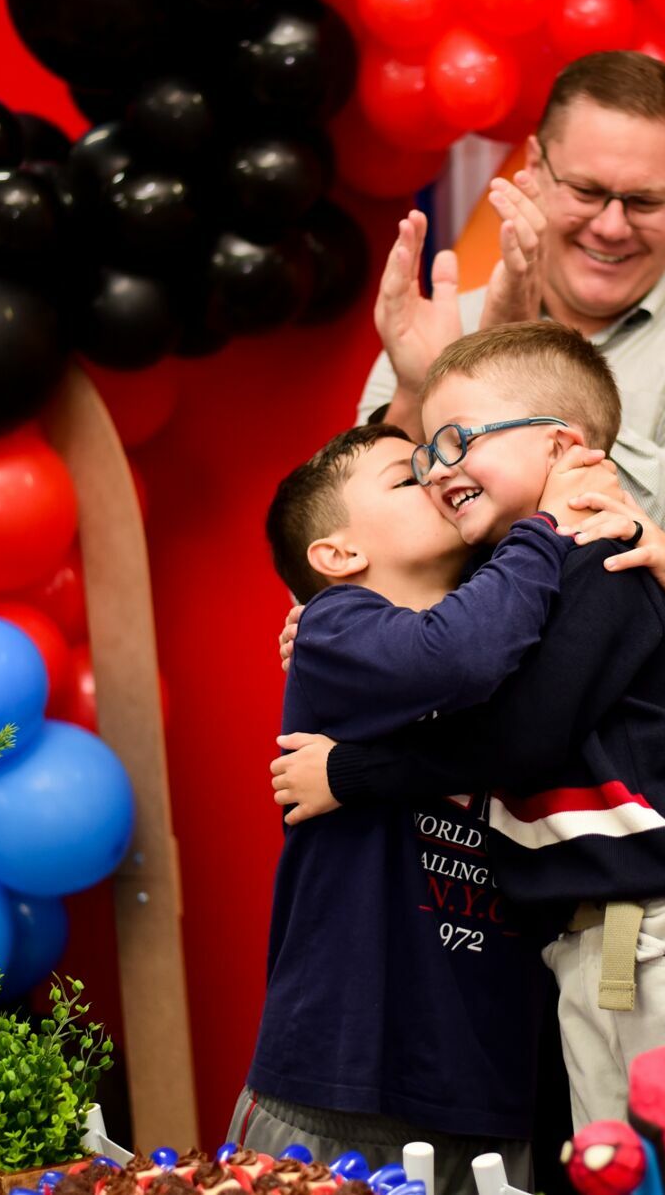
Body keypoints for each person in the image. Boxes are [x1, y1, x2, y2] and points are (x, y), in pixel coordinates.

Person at [275, 320, 665, 1128]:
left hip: (661, 940)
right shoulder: (512, 589)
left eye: (456, 441)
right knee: (619, 1170)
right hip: (590, 946)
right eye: (424, 459)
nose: (439, 471)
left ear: (561, 446)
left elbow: (524, 740)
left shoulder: (601, 561)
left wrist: (353, 771)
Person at [356, 51, 665, 899]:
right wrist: (422, 391)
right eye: (587, 191)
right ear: (534, 167)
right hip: (462, 847)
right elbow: (352, 562)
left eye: (644, 201)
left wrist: (523, 384)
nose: (610, 225)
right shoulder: (442, 328)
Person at [235, 422, 612, 1187]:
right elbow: (457, 654)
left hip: (491, 1088)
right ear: (339, 556)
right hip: (344, 1072)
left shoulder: (519, 630)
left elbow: (529, 736)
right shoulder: (334, 626)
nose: (438, 477)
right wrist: (544, 525)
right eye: (409, 479)